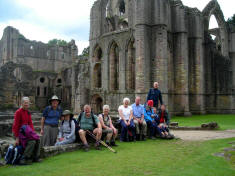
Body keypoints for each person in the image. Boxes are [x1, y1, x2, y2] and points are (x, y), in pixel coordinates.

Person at [12, 97, 41, 164]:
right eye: (25, 103)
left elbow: (30, 124)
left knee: (37, 139)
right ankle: (24, 158)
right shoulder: (18, 112)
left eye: (27, 103)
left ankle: (35, 157)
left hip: (26, 132)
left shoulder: (28, 112)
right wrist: (17, 138)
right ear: (22, 103)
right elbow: (16, 126)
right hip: (19, 133)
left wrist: (33, 134)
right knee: (32, 142)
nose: (26, 104)